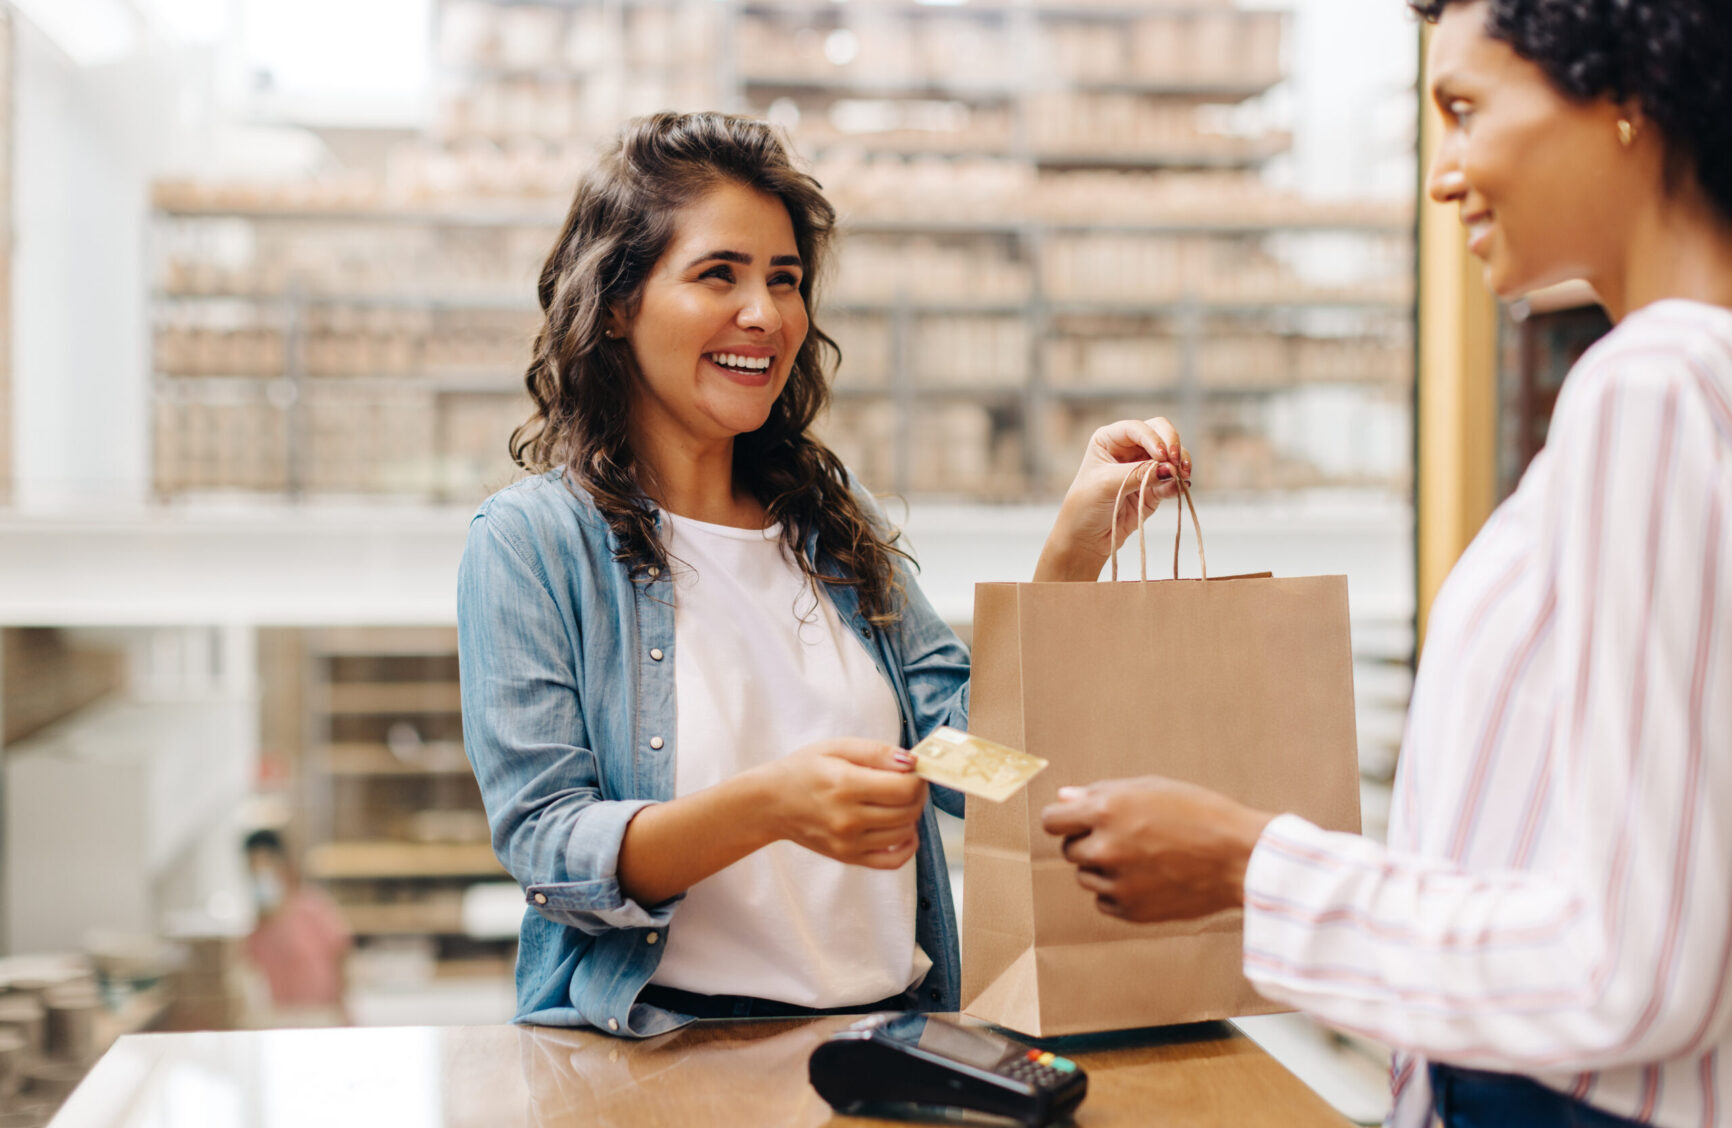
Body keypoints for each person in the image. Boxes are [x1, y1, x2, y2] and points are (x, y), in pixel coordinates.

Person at [1041, 1, 1732, 1125]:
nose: (1442, 176)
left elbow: (1629, 970)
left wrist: (1246, 864)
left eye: (1464, 111)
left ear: (1629, 98)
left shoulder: (1649, 387)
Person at [456, 110, 1190, 1038]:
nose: (765, 314)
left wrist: (1075, 551)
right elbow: (547, 846)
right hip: (664, 1055)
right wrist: (770, 805)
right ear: (616, 303)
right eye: (719, 274)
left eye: (785, 280)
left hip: (887, 1045)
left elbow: (975, 768)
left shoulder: (832, 525)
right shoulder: (531, 544)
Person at [242, 829, 353, 1026]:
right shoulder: (256, 925)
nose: (260, 871)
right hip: (282, 1018)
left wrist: (342, 1008)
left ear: (283, 864)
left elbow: (341, 955)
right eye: (253, 866)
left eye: (266, 863)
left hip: (321, 1015)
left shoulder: (313, 908)